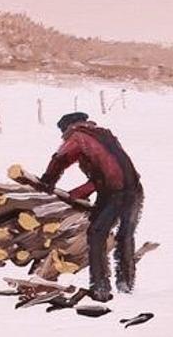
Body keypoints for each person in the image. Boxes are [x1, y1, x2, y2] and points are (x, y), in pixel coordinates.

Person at [38, 111, 144, 303]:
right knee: (125, 236)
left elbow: (60, 159)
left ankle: (100, 288)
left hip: (113, 192)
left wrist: (47, 181)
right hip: (134, 191)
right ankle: (126, 284)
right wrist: (80, 192)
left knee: (96, 235)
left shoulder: (78, 136)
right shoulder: (105, 135)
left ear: (67, 127)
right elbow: (109, 170)